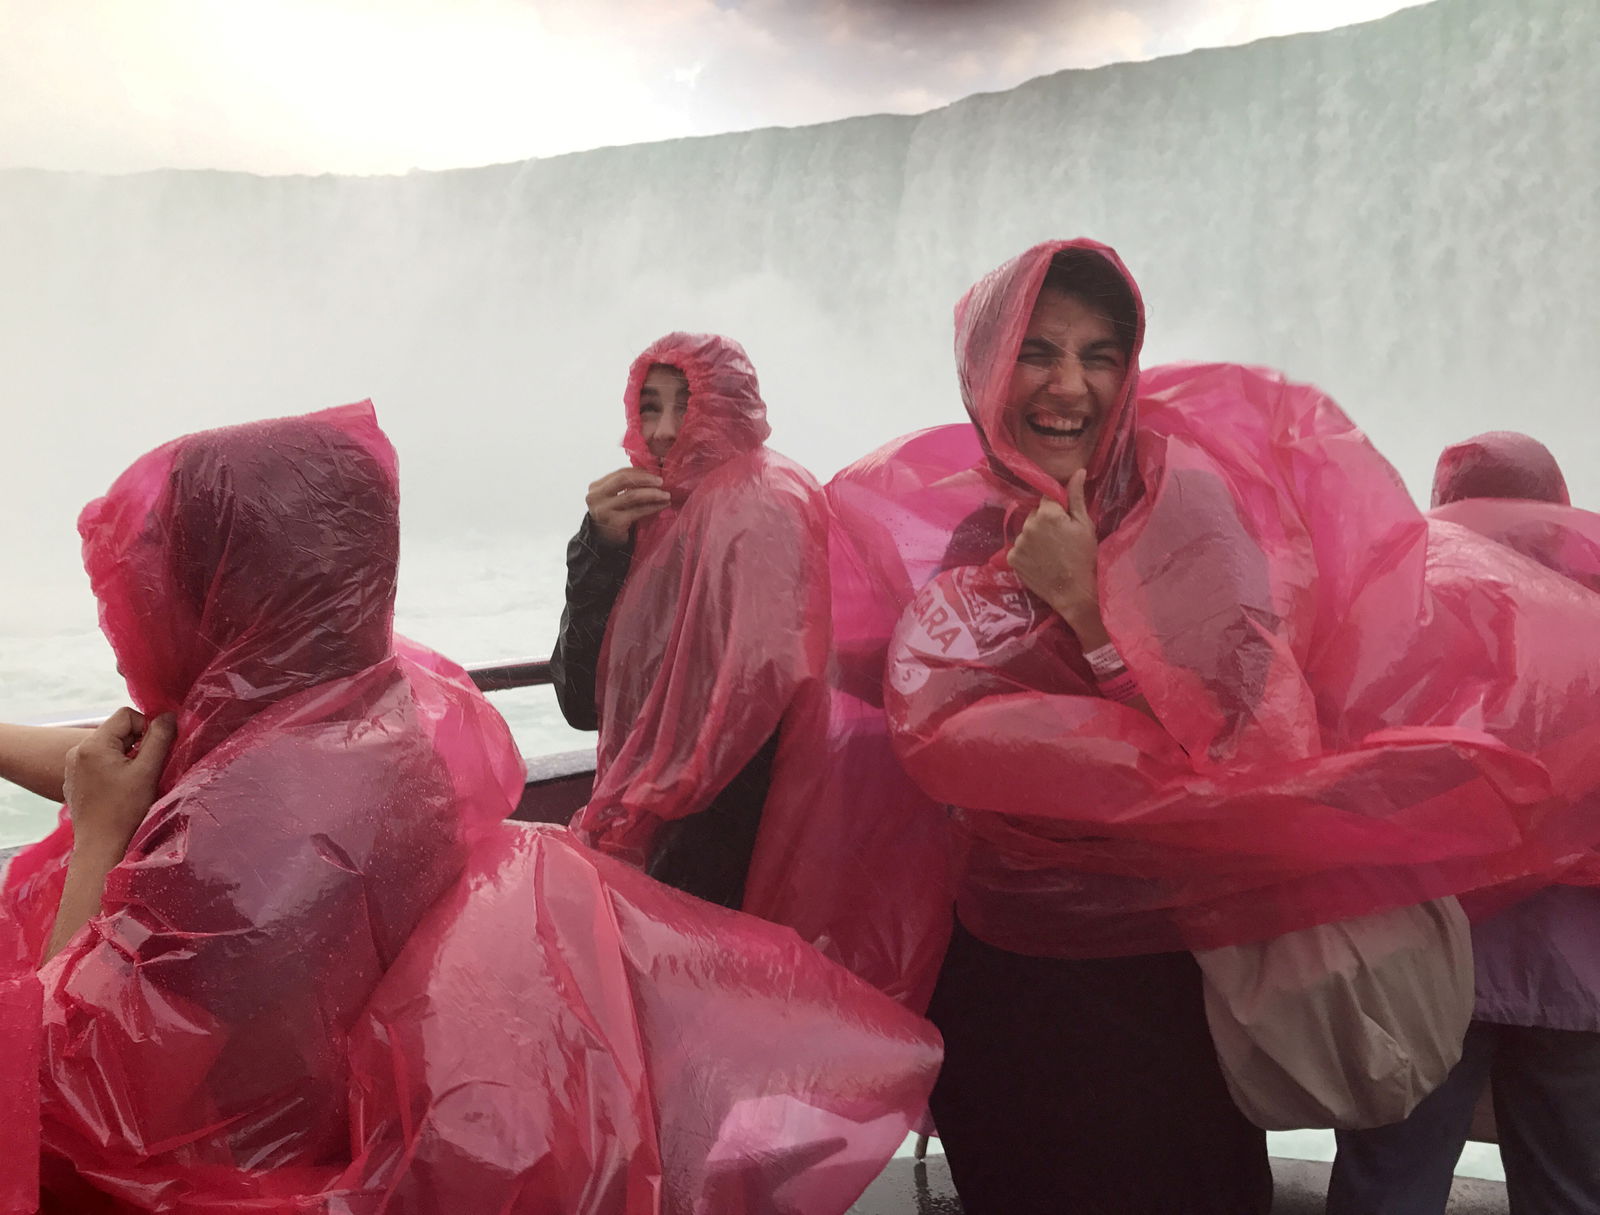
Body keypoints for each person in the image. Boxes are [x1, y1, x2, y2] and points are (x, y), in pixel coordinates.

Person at [1, 401, 942, 1213]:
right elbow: (132, 757)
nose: (132, 599)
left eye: (167, 563)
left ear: (230, 581)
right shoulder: (373, 714)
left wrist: (100, 838)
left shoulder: (233, 845)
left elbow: (51, 1097)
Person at [875, 241, 1600, 1214]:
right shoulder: (978, 530)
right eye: (1038, 352)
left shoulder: (1184, 513)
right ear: (986, 364)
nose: (1068, 384)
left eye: (1099, 355)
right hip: (1001, 987)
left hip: (1153, 988)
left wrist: (1093, 613)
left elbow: (1255, 752)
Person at [1328, 432, 1600, 1215]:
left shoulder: (1404, 602)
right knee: (1574, 1192)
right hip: (1576, 979)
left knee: (1388, 1188)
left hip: (1424, 967)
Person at [557, 333, 830, 913]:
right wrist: (600, 548)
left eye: (685, 405)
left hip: (735, 853)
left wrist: (649, 831)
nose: (660, 431)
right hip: (661, 844)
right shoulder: (640, 526)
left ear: (729, 411)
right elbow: (581, 702)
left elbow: (751, 725)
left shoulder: (762, 511)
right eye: (650, 406)